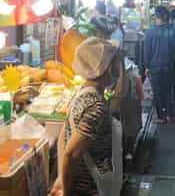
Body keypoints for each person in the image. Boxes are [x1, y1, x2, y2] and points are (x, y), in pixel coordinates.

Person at [51, 37, 123, 196]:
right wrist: (65, 189)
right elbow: (71, 154)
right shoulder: (96, 107)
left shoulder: (82, 92)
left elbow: (64, 133)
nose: (119, 67)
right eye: (116, 62)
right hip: (88, 188)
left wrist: (61, 178)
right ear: (108, 68)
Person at [142, 6, 175, 124]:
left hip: (154, 66)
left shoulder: (149, 31)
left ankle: (160, 116)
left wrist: (146, 66)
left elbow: (146, 51)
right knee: (168, 90)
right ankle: (169, 115)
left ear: (156, 16)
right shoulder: (172, 30)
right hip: (169, 65)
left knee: (157, 92)